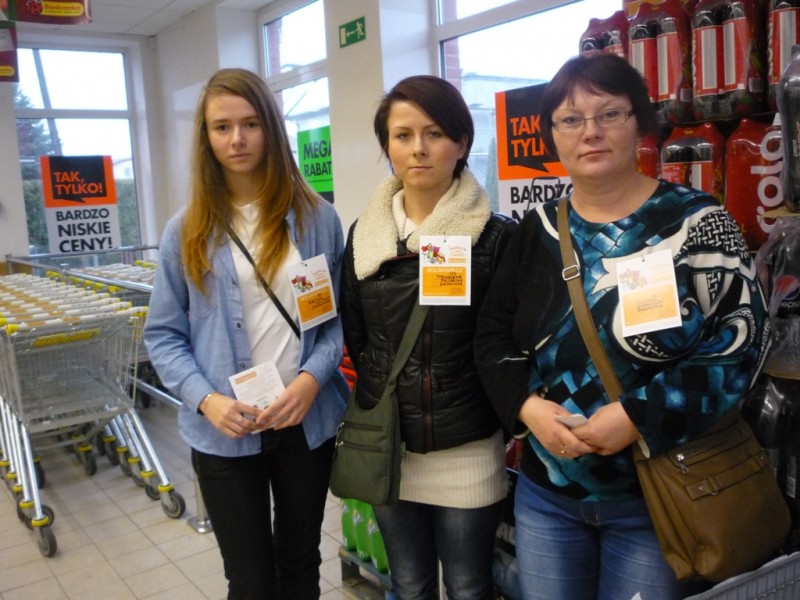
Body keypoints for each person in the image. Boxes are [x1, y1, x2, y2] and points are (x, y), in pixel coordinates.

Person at [474, 53, 771, 600]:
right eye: (570, 119)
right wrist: (526, 408)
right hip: (548, 496)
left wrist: (639, 416)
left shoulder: (698, 221)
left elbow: (743, 344)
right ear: (552, 135)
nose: (590, 132)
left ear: (639, 122)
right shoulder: (535, 230)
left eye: (610, 113)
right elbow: (492, 337)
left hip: (658, 495)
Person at [143, 67, 349, 600]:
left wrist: (310, 380)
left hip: (303, 421)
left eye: (251, 124)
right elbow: (162, 336)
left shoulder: (317, 219)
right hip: (224, 429)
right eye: (222, 127)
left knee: (301, 565)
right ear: (206, 137)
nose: (237, 139)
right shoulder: (186, 230)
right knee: (250, 580)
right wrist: (205, 399)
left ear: (271, 130)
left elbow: (332, 323)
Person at [340, 75, 517, 600]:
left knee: (468, 585)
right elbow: (357, 333)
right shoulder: (365, 235)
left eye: (434, 133)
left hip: (468, 446)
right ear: (388, 147)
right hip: (390, 444)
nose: (418, 148)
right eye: (403, 135)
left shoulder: (496, 236)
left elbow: (506, 341)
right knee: (410, 584)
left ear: (461, 143)